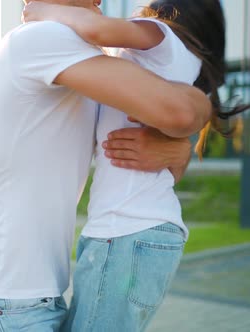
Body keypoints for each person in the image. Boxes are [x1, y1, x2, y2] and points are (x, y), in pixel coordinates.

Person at [0, 0, 212, 330]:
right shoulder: (41, 38)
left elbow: (162, 125)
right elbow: (183, 113)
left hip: (26, 298)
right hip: (4, 303)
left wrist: (178, 150)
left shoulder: (78, 61)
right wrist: (197, 110)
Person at [23, 0, 250, 331]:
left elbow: (98, 29)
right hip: (137, 230)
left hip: (126, 231)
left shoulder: (163, 37)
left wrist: (41, 11)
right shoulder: (184, 65)